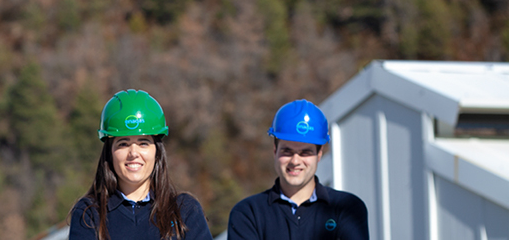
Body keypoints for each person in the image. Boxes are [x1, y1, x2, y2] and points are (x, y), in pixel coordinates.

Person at [69, 90, 212, 240]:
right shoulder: (89, 213)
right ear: (110, 153)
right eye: (123, 144)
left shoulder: (184, 210)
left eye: (143, 143)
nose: (133, 153)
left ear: (157, 152)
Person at [228, 99, 368, 240]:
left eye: (305, 153)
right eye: (287, 151)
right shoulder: (248, 213)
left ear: (319, 154)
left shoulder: (347, 208)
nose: (295, 161)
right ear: (275, 151)